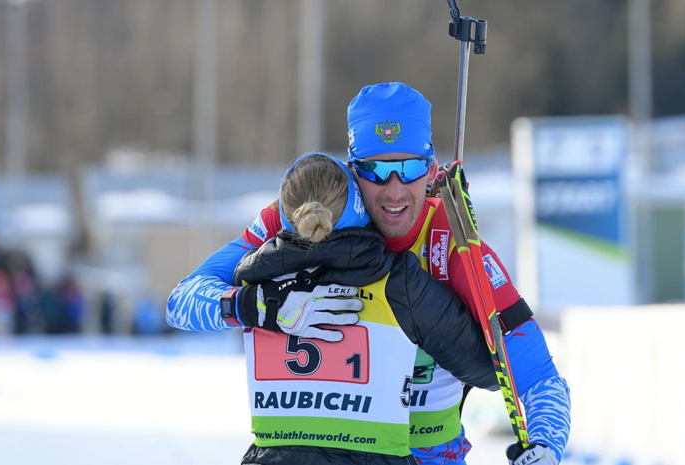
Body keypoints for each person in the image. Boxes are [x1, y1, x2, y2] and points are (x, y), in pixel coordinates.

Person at [168, 82, 570, 465]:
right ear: (352, 171)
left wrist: (546, 445)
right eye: (376, 171)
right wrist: (250, 305)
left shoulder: (451, 242)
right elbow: (182, 301)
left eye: (409, 168)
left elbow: (539, 377)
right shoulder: (307, 212)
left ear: (432, 171)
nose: (394, 191)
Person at [170, 152, 499, 465]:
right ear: (360, 209)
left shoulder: (255, 273)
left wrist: (254, 305)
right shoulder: (399, 282)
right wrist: (440, 212)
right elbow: (490, 369)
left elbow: (180, 303)